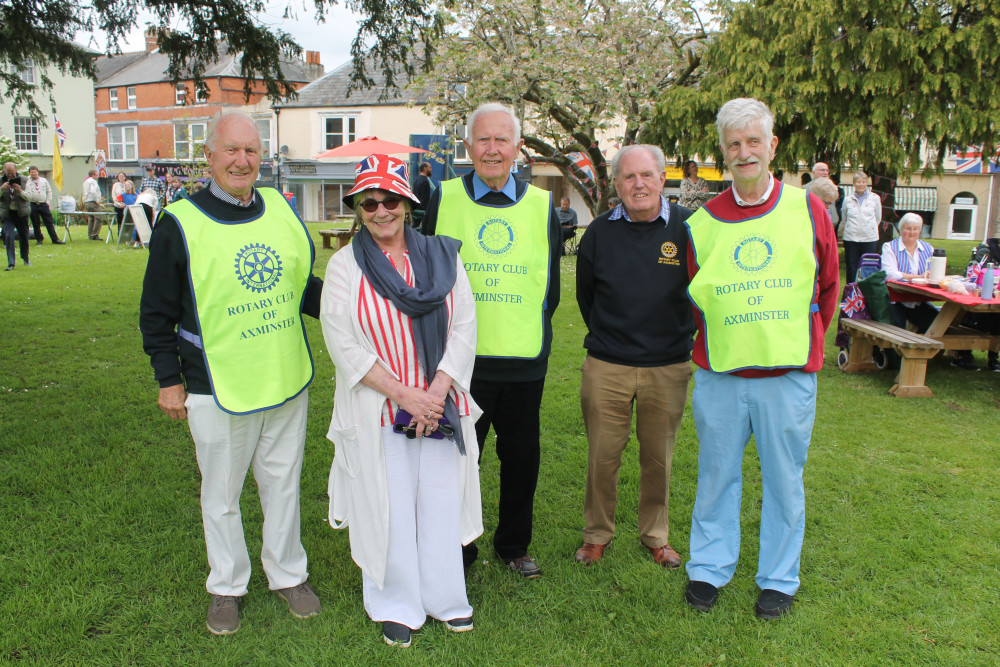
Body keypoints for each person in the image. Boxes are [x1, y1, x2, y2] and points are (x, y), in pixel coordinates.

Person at [139, 110, 323, 636]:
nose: (242, 161)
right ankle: (227, 585)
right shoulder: (179, 222)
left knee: (283, 484)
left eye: (251, 151)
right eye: (231, 151)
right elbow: (157, 312)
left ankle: (288, 574)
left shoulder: (281, 210)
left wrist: (352, 303)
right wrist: (168, 379)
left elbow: (300, 286)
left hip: (284, 375)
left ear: (260, 157)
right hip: (214, 383)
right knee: (221, 493)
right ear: (209, 156)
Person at [682, 98, 839, 620]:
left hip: (787, 375)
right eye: (734, 143)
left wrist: (806, 340)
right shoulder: (702, 222)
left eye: (753, 141)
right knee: (715, 474)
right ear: (723, 152)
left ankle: (777, 578)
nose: (744, 152)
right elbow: (693, 293)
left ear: (772, 146)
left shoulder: (807, 208)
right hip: (721, 374)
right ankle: (708, 568)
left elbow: (829, 284)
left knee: (784, 479)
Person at [321, 154, 482, 649]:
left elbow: (464, 327)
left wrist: (434, 394)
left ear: (407, 202)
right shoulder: (345, 265)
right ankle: (395, 602)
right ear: (358, 208)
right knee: (387, 505)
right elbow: (342, 341)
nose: (379, 210)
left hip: (438, 403)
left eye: (389, 199)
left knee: (437, 501)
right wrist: (404, 394)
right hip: (380, 406)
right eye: (368, 202)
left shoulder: (441, 256)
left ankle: (444, 597)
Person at [421, 102, 561, 579]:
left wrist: (534, 338)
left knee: (521, 458)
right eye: (483, 140)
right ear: (467, 147)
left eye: (502, 139)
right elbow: (423, 274)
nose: (493, 149)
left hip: (523, 360)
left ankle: (513, 544)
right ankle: (459, 548)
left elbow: (551, 288)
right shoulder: (442, 198)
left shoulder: (544, 206)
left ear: (518, 147)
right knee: (458, 461)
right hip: (460, 365)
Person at [574, 144, 694, 568]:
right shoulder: (599, 233)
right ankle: (596, 535)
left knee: (658, 457)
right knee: (602, 456)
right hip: (609, 363)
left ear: (663, 179)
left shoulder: (689, 228)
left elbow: (701, 292)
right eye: (629, 177)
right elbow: (586, 297)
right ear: (616, 185)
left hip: (669, 364)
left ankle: (655, 535)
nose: (638, 184)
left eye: (647, 175)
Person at [881, 213, 938, 332]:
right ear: (901, 230)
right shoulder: (890, 247)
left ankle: (922, 349)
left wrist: (930, 275)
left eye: (915, 229)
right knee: (896, 330)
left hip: (918, 301)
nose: (912, 232)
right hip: (895, 300)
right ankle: (891, 351)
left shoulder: (928, 248)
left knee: (937, 324)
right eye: (908, 228)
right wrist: (918, 277)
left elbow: (934, 272)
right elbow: (890, 274)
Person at [841, 172, 881, 283]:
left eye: (863, 182)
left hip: (869, 238)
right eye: (858, 182)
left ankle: (866, 290)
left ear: (867, 183)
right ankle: (852, 291)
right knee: (851, 265)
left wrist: (869, 228)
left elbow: (877, 218)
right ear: (854, 183)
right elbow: (844, 218)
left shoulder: (875, 198)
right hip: (851, 238)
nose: (861, 184)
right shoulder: (848, 199)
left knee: (868, 266)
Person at [2, 162, 32, 270]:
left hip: (21, 213)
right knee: (9, 236)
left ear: (16, 171)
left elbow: (29, 197)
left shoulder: (25, 180)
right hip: (8, 213)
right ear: (5, 171)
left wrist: (20, 191)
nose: (10, 176)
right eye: (8, 174)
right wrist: (2, 189)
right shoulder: (1, 180)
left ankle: (25, 258)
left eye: (12, 174)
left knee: (24, 236)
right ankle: (11, 263)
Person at [25, 166, 64, 245]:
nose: (33, 173)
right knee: (36, 223)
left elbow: (49, 191)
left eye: (35, 171)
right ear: (29, 173)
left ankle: (55, 239)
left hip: (43, 204)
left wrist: (48, 202)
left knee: (49, 222)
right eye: (32, 172)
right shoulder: (27, 181)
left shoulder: (43, 180)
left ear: (37, 172)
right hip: (33, 204)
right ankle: (39, 239)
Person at [807, 163, 839, 231]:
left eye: (827, 170)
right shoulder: (807, 187)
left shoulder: (832, 185)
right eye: (822, 170)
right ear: (814, 172)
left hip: (831, 223)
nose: (825, 173)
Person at [82, 169, 103, 240]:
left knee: (91, 218)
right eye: (96, 175)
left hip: (87, 202)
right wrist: (97, 200)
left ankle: (90, 234)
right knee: (99, 217)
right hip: (92, 201)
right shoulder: (93, 181)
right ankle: (95, 234)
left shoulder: (86, 181)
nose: (97, 176)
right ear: (92, 175)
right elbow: (93, 191)